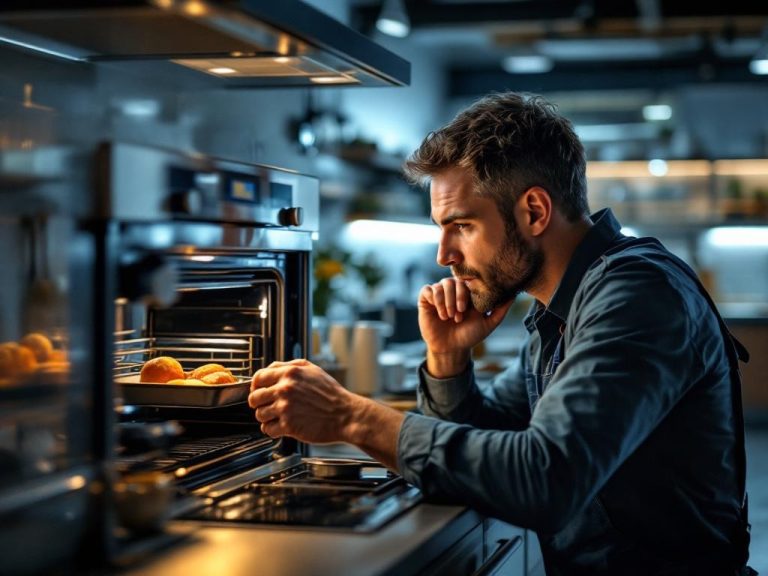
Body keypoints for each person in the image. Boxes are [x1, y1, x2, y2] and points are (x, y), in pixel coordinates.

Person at [248, 92, 754, 575]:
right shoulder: (559, 308)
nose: (443, 255)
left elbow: (544, 478)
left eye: (462, 226)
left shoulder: (636, 294)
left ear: (534, 212)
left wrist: (350, 416)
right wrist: (448, 360)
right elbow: (491, 438)